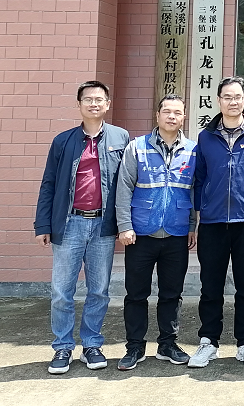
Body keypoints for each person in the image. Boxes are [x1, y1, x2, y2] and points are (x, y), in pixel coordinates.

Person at [34, 80, 130, 374]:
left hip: (103, 226)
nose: (93, 104)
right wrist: (43, 224)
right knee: (62, 291)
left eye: (99, 99)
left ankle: (91, 345)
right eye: (88, 99)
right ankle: (62, 346)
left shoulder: (120, 137)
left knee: (99, 290)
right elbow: (49, 184)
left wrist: (124, 223)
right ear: (79, 105)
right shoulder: (63, 141)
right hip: (69, 224)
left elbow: (127, 184)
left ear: (107, 104)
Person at [188, 77, 244, 369]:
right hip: (212, 223)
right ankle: (208, 342)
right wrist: (198, 220)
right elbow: (199, 180)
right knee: (210, 286)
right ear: (219, 101)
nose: (233, 102)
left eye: (237, 96)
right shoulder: (206, 136)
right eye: (227, 97)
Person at [114, 94, 197, 371]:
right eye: (167, 112)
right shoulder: (137, 147)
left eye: (177, 112)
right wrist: (124, 226)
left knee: (171, 293)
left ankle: (167, 344)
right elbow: (124, 187)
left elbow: (193, 191)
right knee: (136, 294)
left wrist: (192, 227)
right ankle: (135, 346)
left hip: (176, 233)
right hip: (140, 233)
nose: (172, 116)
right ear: (157, 115)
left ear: (183, 117)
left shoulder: (192, 150)